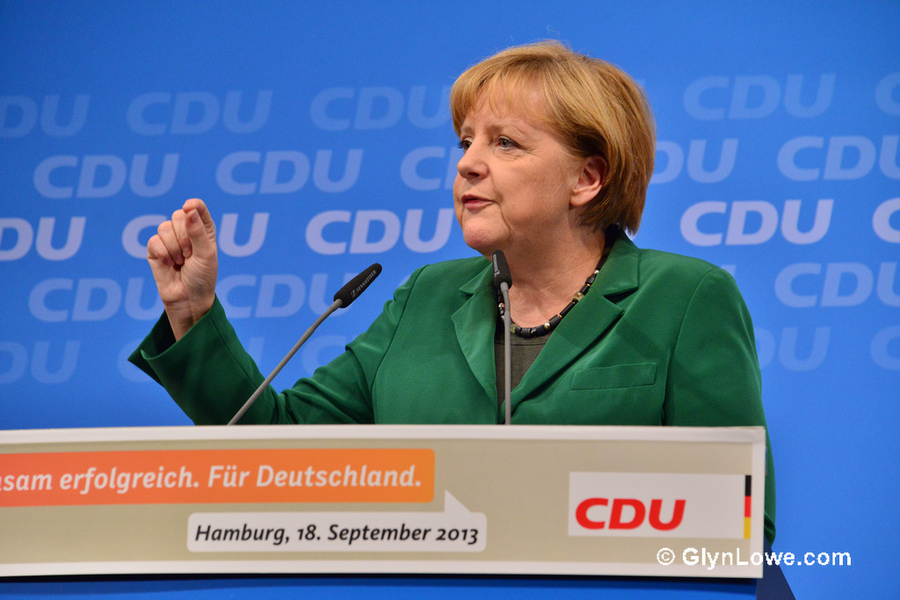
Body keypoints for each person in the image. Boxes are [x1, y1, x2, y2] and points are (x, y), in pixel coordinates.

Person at [129, 41, 775, 542]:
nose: (467, 162)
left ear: (586, 178)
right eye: (466, 141)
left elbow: (737, 519)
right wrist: (193, 313)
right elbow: (276, 449)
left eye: (505, 143)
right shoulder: (427, 298)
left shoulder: (684, 298)